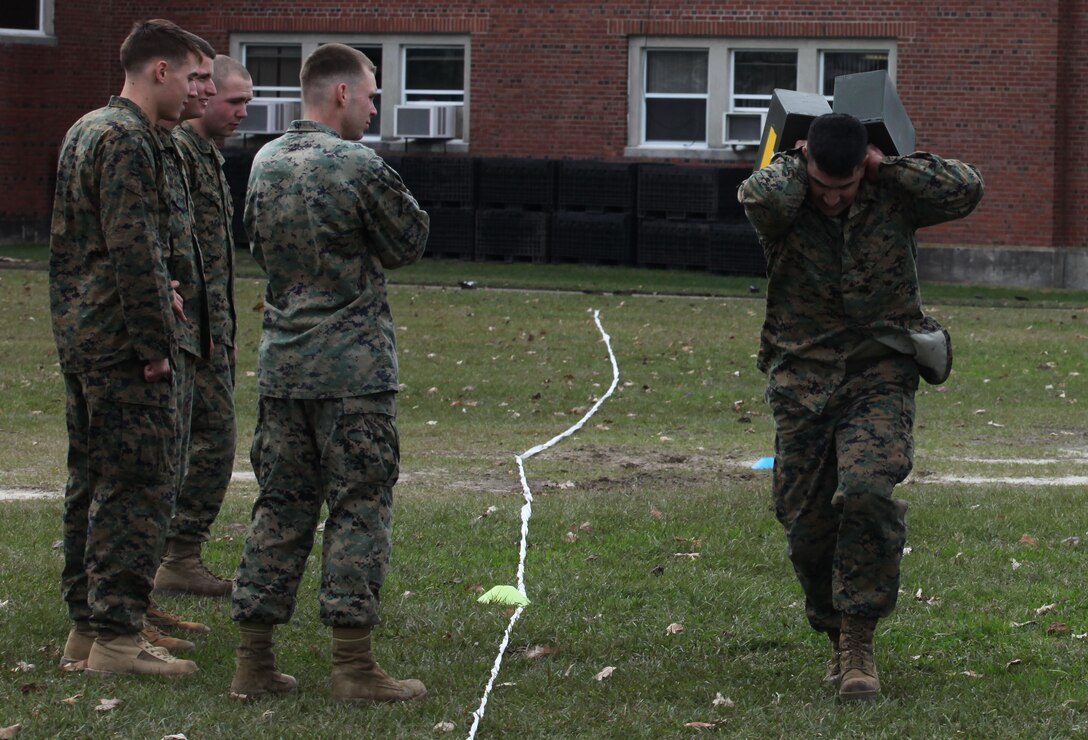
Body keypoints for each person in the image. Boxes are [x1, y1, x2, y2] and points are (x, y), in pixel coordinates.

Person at [738, 112, 984, 702]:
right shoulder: (787, 198)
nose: (830, 199)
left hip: (880, 372)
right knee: (805, 526)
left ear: (862, 170)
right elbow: (755, 195)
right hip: (802, 379)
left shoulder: (890, 195)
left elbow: (966, 187)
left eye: (842, 188)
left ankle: (858, 643)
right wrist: (798, 163)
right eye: (822, 184)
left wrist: (887, 166)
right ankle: (832, 629)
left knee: (869, 491)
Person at [229, 43, 430, 703]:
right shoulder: (355, 165)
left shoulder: (263, 161)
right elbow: (408, 241)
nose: (375, 108)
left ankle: (253, 662)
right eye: (372, 95)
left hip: (282, 366)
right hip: (351, 370)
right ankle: (353, 664)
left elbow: (256, 244)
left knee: (280, 505)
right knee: (358, 505)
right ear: (341, 93)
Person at [49, 18, 211, 677]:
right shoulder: (125, 137)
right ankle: (117, 640)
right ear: (159, 71)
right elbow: (133, 245)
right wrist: (155, 344)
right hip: (123, 345)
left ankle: (87, 633)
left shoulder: (88, 128)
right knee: (134, 488)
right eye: (190, 77)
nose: (194, 94)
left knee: (92, 481)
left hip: (86, 335)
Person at [154, 55, 253, 600]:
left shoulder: (209, 156)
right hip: (183, 333)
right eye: (233, 102)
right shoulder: (177, 154)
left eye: (245, 103)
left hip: (211, 332)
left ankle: (180, 555)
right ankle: (165, 558)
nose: (242, 112)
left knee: (214, 444)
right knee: (184, 449)